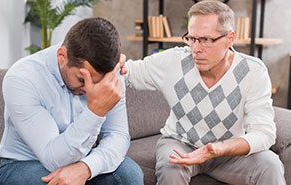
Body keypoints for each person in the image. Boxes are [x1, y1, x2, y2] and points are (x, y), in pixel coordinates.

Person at [120, 1, 286, 184]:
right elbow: (128, 72)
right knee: (171, 166)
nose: (196, 49)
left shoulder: (253, 71)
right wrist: (115, 62)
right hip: (181, 144)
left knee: (270, 164)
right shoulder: (173, 61)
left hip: (228, 152)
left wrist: (219, 149)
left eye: (206, 40)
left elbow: (264, 133)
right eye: (192, 38)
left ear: (230, 39)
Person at [0, 17, 143, 185]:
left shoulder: (110, 75)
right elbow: (52, 159)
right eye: (82, 79)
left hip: (82, 157)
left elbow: (119, 135)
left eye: (97, 83)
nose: (90, 90)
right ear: (62, 57)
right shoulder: (22, 79)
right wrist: (95, 111)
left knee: (130, 175)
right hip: (24, 162)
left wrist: (86, 168)